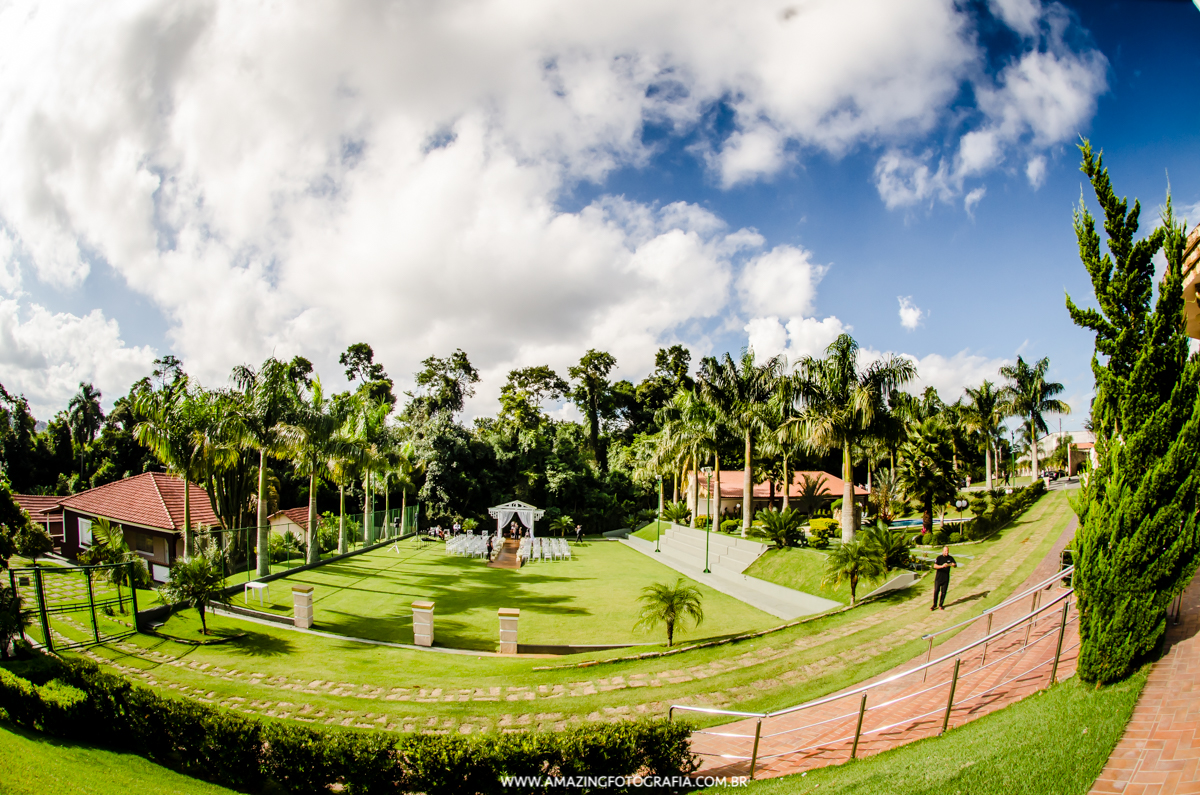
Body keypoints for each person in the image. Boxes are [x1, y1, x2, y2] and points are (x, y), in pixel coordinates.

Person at [931, 545, 957, 611]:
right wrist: (942, 566)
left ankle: (941, 605)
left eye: (947, 551)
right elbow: (934, 566)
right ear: (943, 551)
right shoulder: (939, 558)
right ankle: (934, 605)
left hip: (946, 578)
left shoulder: (950, 558)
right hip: (938, 578)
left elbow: (955, 564)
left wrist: (953, 565)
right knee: (936, 591)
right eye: (945, 551)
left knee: (944, 592)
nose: (946, 552)